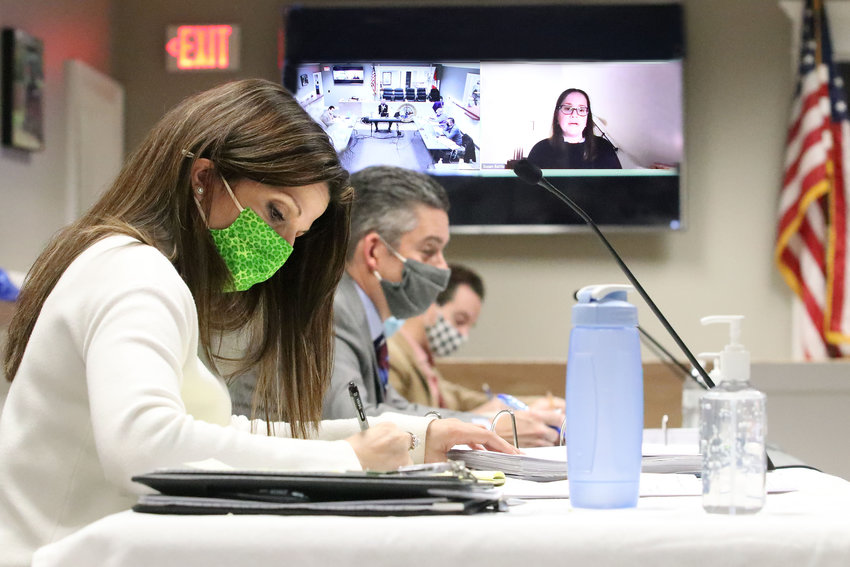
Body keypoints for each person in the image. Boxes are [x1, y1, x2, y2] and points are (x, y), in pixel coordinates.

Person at [0, 80, 515, 567]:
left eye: (298, 231)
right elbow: (145, 446)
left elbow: (224, 435)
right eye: (275, 213)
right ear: (203, 179)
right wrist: (346, 459)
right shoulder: (134, 272)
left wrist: (410, 436)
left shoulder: (148, 271)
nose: (284, 249)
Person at [318, 166, 561, 446]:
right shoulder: (333, 311)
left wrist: (484, 425)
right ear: (374, 251)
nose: (443, 268)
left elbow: (398, 410)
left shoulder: (361, 317)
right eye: (429, 250)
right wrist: (488, 428)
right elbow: (351, 422)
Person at [388, 264, 564, 445]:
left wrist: (537, 405)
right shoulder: (393, 356)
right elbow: (395, 423)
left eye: (469, 327)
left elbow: (464, 399)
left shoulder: (424, 363)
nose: (464, 335)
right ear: (430, 304)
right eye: (460, 320)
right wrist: (484, 422)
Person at [527, 88, 622, 169]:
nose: (574, 115)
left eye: (581, 109)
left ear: (587, 116)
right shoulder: (540, 149)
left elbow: (619, 186)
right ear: (557, 115)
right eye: (568, 108)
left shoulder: (604, 147)